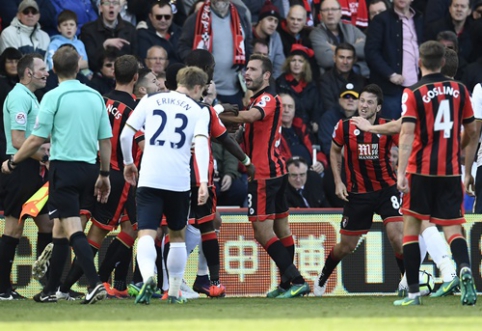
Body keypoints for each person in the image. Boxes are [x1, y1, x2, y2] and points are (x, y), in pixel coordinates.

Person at [2, 46, 112, 304]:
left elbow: (35, 138)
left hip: (63, 168)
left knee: (68, 227)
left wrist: (14, 162)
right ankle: (52, 288)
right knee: (56, 227)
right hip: (90, 168)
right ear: (77, 67)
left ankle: (94, 283)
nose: (43, 73)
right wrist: (104, 173)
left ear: (54, 69)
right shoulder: (95, 95)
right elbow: (105, 139)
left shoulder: (52, 97)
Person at [393, 41, 477, 306]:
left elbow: (406, 134)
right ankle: (463, 268)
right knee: (453, 227)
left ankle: (415, 293)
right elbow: (473, 132)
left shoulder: (413, 92)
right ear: (443, 63)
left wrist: (400, 172)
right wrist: (457, 151)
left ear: (420, 63)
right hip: (450, 171)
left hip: (421, 170)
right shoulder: (461, 90)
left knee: (411, 226)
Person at [219, 54, 310, 298]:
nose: (247, 73)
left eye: (253, 69)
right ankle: (287, 285)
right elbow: (243, 131)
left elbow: (249, 118)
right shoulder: (256, 100)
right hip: (274, 171)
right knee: (281, 228)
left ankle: (297, 279)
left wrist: (215, 113)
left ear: (266, 75)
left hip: (263, 174)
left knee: (261, 231)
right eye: (246, 69)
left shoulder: (268, 98)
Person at [120, 66, 211, 305]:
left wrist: (129, 163)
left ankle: (149, 277)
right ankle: (174, 290)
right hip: (178, 181)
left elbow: (125, 135)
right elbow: (201, 145)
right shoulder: (198, 109)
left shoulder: (151, 99)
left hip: (149, 177)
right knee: (177, 235)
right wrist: (202, 182)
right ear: (198, 88)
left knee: (146, 233)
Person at [56, 55, 141, 300]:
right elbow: (140, 143)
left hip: (88, 167)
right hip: (117, 175)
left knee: (129, 228)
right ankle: (66, 288)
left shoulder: (98, 100)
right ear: (135, 78)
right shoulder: (135, 110)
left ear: (114, 74)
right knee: (96, 233)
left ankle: (98, 279)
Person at [314, 84, 404, 297]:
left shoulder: (387, 126)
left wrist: (402, 173)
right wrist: (338, 181)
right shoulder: (344, 127)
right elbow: (334, 150)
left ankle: (408, 282)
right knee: (346, 246)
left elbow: (406, 145)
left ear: (378, 107)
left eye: (369, 102)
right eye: (362, 101)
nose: (363, 105)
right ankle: (323, 276)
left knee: (396, 236)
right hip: (358, 195)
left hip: (386, 190)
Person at [0, 53, 52, 301]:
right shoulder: (19, 96)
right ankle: (2, 288)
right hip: (21, 169)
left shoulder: (31, 97)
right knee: (14, 228)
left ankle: (47, 284)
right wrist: (43, 156)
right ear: (29, 73)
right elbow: (19, 140)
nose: (47, 72)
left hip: (32, 171)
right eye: (42, 69)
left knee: (48, 225)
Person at [177, 0, 252, 109]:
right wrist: (197, 61)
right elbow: (182, 47)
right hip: (205, 90)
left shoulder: (241, 15)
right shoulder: (196, 18)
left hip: (235, 90)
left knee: (235, 125)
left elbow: (248, 47)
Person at [364, 0, 423, 119]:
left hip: (417, 85)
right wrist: (390, 74)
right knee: (391, 130)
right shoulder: (381, 20)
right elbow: (371, 52)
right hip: (391, 88)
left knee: (415, 129)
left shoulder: (420, 18)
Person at [309, 0, 368, 77]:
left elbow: (367, 49)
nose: (330, 13)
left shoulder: (351, 28)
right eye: (326, 10)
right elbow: (326, 60)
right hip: (331, 81)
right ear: (321, 14)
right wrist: (354, 56)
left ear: (340, 13)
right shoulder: (316, 34)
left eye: (334, 9)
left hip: (359, 76)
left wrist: (335, 48)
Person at [80, 0, 137, 73]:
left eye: (115, 3)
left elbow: (135, 58)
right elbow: (91, 62)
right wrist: (104, 45)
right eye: (107, 3)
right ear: (100, 8)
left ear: (119, 8)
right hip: (99, 79)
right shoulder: (88, 30)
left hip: (125, 76)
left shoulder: (130, 29)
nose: (111, 6)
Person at [276, 44, 321, 134]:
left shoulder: (311, 86)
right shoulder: (280, 83)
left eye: (300, 61)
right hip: (285, 129)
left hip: (307, 130)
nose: (297, 64)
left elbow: (317, 109)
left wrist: (315, 123)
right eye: (293, 60)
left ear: (305, 65)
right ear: (288, 63)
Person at [319, 42, 367, 112]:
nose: (345, 62)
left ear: (354, 60)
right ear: (334, 58)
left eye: (349, 58)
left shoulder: (361, 81)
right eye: (341, 57)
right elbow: (329, 107)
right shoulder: (325, 80)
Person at [45, 10, 89, 76]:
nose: (69, 28)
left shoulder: (80, 43)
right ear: (59, 28)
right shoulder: (54, 44)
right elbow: (52, 64)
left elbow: (86, 63)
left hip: (80, 76)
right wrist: (77, 65)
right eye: (65, 25)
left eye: (72, 24)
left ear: (76, 28)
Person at [252, 1, 285, 79]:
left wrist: (268, 83)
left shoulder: (276, 36)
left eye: (276, 21)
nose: (272, 24)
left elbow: (279, 66)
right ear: (260, 20)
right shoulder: (247, 32)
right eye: (270, 19)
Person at [0, 48, 22, 163]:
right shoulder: (2, 84)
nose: (13, 65)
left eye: (16, 61)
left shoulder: (26, 83)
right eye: (9, 61)